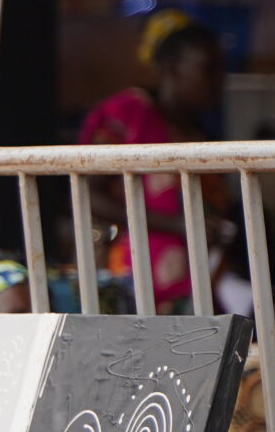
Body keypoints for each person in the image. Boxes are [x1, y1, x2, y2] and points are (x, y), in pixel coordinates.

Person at [78, 15, 229, 308]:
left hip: (196, 285)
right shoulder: (128, 115)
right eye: (208, 69)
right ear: (172, 69)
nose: (218, 80)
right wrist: (176, 224)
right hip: (130, 282)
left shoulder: (196, 131)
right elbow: (86, 194)